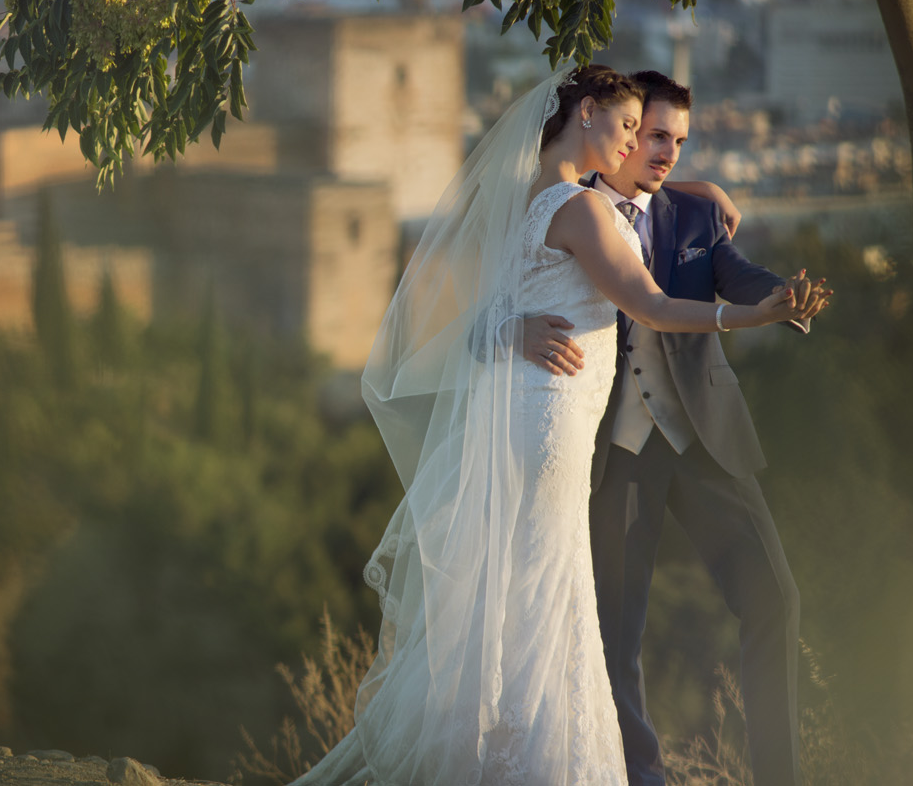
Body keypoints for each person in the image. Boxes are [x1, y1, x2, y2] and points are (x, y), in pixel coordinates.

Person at [289, 65, 809, 786]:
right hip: (577, 434)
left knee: (567, 587)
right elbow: (608, 307)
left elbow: (697, 242)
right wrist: (510, 326)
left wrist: (725, 229)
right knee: (575, 606)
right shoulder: (573, 207)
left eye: (663, 139)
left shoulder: (608, 204)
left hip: (630, 427)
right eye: (638, 130)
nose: (648, 148)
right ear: (593, 117)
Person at [519, 70, 830, 786]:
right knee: (612, 633)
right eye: (654, 134)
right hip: (610, 447)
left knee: (774, 596)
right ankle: (642, 775)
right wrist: (512, 328)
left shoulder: (695, 214)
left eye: (680, 143)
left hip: (702, 434)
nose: (665, 153)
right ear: (621, 130)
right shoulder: (561, 207)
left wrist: (780, 297)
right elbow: (486, 297)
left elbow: (737, 270)